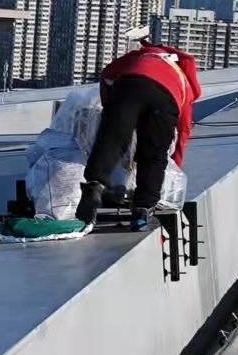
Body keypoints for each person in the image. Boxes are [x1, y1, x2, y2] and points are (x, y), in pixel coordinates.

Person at [75, 40, 202, 231]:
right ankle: (142, 210)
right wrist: (176, 162)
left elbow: (107, 75)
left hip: (128, 87)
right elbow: (184, 130)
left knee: (111, 142)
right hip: (165, 99)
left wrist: (110, 113)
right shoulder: (183, 81)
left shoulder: (140, 56)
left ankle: (94, 186)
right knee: (153, 155)